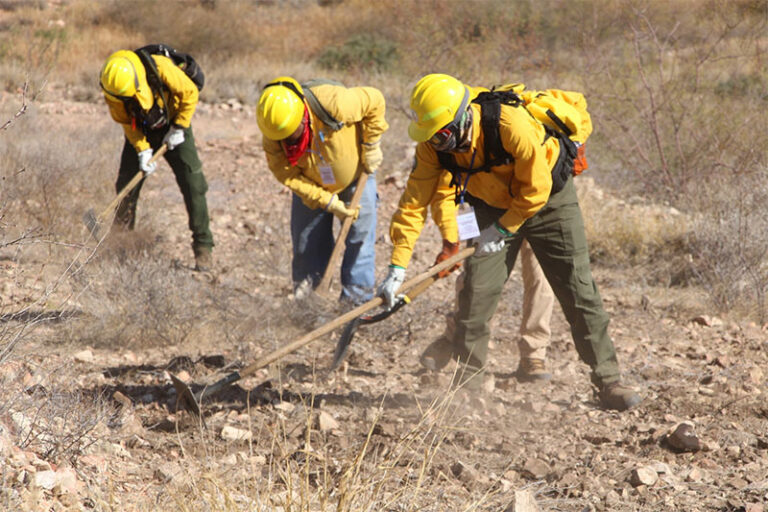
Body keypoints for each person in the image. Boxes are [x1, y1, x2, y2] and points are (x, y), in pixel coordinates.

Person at [378, 73, 640, 411]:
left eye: (442, 135)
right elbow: (413, 204)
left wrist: (502, 230)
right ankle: (468, 387)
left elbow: (536, 190)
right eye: (431, 136)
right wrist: (397, 267)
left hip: (548, 202)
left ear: (462, 118)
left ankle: (608, 381)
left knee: (577, 290)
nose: (437, 144)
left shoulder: (510, 125)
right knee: (476, 292)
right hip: (490, 205)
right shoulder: (432, 145)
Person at [256, 77, 388, 305]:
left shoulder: (334, 102)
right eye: (282, 138)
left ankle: (355, 304)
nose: (287, 141)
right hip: (310, 185)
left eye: (292, 133)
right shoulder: (273, 132)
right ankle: (309, 305)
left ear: (302, 116)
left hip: (356, 177)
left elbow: (375, 100)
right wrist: (326, 200)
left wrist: (371, 145)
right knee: (307, 243)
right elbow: (285, 174)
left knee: (360, 240)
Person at [99, 49, 214, 271]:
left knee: (193, 184)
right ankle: (119, 247)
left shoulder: (160, 68)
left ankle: (203, 247)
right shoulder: (113, 89)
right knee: (126, 186)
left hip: (174, 126)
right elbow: (125, 121)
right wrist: (142, 150)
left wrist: (179, 127)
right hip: (140, 131)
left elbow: (189, 92)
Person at [425, 239, 556, 382]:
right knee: (477, 276)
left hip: (539, 225)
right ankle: (454, 335)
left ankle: (533, 353)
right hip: (497, 226)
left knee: (542, 280)